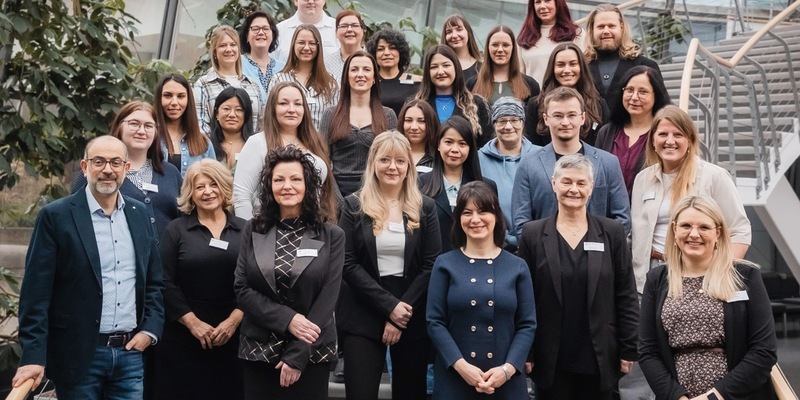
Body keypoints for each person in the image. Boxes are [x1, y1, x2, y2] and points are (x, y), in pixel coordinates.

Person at [13, 136, 164, 399]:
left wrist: (149, 330)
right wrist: (33, 356)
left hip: (130, 354)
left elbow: (154, 281)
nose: (108, 169)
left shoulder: (139, 214)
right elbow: (35, 294)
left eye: (116, 162)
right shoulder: (55, 216)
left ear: (126, 169)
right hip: (78, 356)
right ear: (85, 167)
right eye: (99, 162)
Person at [518, 154, 639, 400]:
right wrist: (526, 352)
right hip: (550, 356)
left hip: (600, 355)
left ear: (591, 188)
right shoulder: (532, 234)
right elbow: (524, 299)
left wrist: (629, 348)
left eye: (581, 183)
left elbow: (625, 293)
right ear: (554, 183)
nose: (574, 189)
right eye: (567, 182)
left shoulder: (612, 233)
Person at [639, 195, 777, 400]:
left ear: (718, 232)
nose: (694, 234)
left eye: (704, 227)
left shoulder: (745, 276)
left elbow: (764, 350)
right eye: (686, 225)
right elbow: (648, 352)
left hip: (738, 395)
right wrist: (676, 396)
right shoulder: (657, 280)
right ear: (674, 230)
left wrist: (715, 396)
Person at [337, 131, 441, 400]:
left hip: (411, 311)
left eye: (400, 161)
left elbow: (431, 265)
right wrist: (389, 306)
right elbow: (347, 263)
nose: (392, 167)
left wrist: (401, 311)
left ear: (409, 166)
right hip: (363, 310)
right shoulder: (353, 206)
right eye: (385, 160)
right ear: (373, 163)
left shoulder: (426, 208)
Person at [234, 146, 344, 399]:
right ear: (268, 185)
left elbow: (328, 297)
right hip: (259, 350)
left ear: (308, 185)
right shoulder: (253, 229)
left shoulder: (331, 234)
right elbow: (242, 289)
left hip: (311, 352)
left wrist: (298, 354)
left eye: (296, 179)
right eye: (279, 179)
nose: (287, 186)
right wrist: (288, 319)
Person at [427, 181, 536, 399]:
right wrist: (461, 367)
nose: (475, 220)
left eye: (483, 211)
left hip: (505, 381)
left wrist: (507, 370)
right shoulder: (444, 264)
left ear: (497, 216)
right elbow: (434, 322)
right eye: (467, 213)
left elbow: (527, 324)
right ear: (459, 220)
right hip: (455, 379)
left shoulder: (517, 265)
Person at [631, 105, 751, 293]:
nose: (670, 141)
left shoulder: (714, 176)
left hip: (697, 276)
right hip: (647, 279)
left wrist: (719, 274)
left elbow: (740, 231)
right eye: (663, 134)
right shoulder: (642, 179)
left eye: (677, 134)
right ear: (653, 140)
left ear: (690, 140)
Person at [154, 159, 245, 400]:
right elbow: (163, 280)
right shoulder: (176, 230)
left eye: (213, 184)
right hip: (183, 339)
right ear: (190, 194)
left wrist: (233, 322)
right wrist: (193, 323)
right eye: (199, 186)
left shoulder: (247, 230)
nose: (207, 192)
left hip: (234, 339)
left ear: (224, 187)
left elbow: (257, 281)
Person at [512, 87, 630, 241]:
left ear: (583, 118)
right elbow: (521, 224)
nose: (565, 122)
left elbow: (622, 219)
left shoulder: (608, 163)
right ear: (546, 119)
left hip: (597, 257)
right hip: (545, 259)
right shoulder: (528, 164)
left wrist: (600, 251)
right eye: (558, 116)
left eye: (571, 115)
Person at [73, 101, 183, 235]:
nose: (141, 131)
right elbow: (74, 216)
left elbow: (184, 219)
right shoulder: (96, 172)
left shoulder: (171, 173)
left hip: (168, 255)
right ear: (120, 126)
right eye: (134, 124)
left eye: (148, 126)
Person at [234, 81, 334, 220]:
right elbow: (241, 196)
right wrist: (250, 237)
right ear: (272, 108)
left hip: (311, 231)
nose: (291, 109)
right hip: (269, 231)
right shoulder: (257, 142)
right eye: (283, 103)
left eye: (298, 104)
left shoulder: (316, 142)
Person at [319, 51, 397, 197]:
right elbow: (322, 161)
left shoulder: (388, 116)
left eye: (366, 70)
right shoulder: (330, 114)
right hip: (336, 195)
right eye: (354, 69)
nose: (360, 74)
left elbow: (392, 161)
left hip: (376, 194)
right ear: (346, 77)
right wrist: (339, 202)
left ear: (374, 78)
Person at [420, 116, 497, 253]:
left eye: (462, 144)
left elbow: (494, 233)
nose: (455, 149)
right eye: (448, 142)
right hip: (432, 266)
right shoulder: (420, 184)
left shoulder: (487, 187)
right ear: (438, 145)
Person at [596, 66, 671, 197]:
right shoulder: (607, 132)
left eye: (643, 92)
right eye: (629, 90)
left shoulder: (664, 134)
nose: (634, 97)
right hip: (609, 214)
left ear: (656, 95)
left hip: (648, 212)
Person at [478, 97, 540, 251]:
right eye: (501, 120)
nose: (508, 126)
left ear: (523, 122)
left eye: (514, 120)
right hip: (493, 243)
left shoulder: (541, 155)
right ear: (494, 124)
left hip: (536, 243)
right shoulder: (479, 159)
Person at [525, 42, 608, 146]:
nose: (567, 70)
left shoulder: (598, 104)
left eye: (573, 64)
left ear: (582, 68)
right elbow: (531, 146)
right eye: (561, 65)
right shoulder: (535, 105)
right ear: (553, 69)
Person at [415, 45, 493, 148]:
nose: (440, 71)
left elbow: (486, 146)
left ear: (456, 68)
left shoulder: (477, 104)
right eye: (434, 67)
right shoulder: (416, 104)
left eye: (446, 65)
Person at [194, 25, 263, 136]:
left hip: (249, 151)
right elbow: (200, 125)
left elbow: (260, 125)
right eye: (222, 45)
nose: (229, 49)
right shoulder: (203, 84)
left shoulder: (252, 85)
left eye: (233, 45)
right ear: (214, 51)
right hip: (216, 151)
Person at [268, 24, 339, 129]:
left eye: (311, 43)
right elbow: (270, 117)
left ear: (318, 46)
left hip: (321, 143)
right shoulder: (278, 80)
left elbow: (335, 121)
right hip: (287, 143)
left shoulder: (330, 82)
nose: (306, 48)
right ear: (293, 45)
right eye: (301, 43)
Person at [584, 3, 662, 98]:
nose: (606, 31)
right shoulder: (581, 68)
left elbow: (661, 106)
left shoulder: (646, 66)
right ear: (592, 30)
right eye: (601, 27)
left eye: (611, 26)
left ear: (621, 28)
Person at [154, 73, 215, 177]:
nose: (174, 102)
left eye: (180, 96)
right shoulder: (149, 137)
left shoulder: (204, 143)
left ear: (188, 99)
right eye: (168, 95)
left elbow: (213, 180)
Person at [467, 25, 540, 107]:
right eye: (495, 45)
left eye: (505, 45)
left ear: (513, 48)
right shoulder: (472, 84)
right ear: (488, 47)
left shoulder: (530, 84)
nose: (500, 50)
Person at [517, 0, 583, 83]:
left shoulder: (576, 34)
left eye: (547, 1)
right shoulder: (524, 38)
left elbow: (584, 72)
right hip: (533, 94)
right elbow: (520, 74)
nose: (542, 6)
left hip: (565, 94)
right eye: (538, 2)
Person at [366, 28, 421, 116]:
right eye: (380, 49)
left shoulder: (417, 82)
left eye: (392, 48)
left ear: (400, 52)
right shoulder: (367, 82)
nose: (386, 53)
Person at [273, 0, 339, 63]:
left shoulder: (338, 28)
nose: (311, 1)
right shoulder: (279, 30)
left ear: (324, 1)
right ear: (296, 1)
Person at [239, 10, 285, 100]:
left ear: (273, 35)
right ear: (246, 36)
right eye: (255, 29)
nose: (261, 32)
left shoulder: (283, 68)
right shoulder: (236, 64)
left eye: (266, 29)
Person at [209, 87, 256, 169]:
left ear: (246, 114)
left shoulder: (256, 145)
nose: (232, 115)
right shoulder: (206, 146)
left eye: (239, 110)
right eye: (226, 109)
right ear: (217, 113)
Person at [398, 99, 439, 174]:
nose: (414, 127)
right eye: (408, 120)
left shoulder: (439, 158)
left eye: (421, 121)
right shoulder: (392, 155)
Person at [325, 10, 365, 87]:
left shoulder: (374, 58)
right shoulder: (327, 64)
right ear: (336, 32)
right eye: (344, 26)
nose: (349, 30)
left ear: (362, 30)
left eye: (354, 25)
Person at [440, 15, 482, 83]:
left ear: (468, 33)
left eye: (459, 30)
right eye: (449, 32)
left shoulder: (482, 69)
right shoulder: (438, 66)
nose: (454, 35)